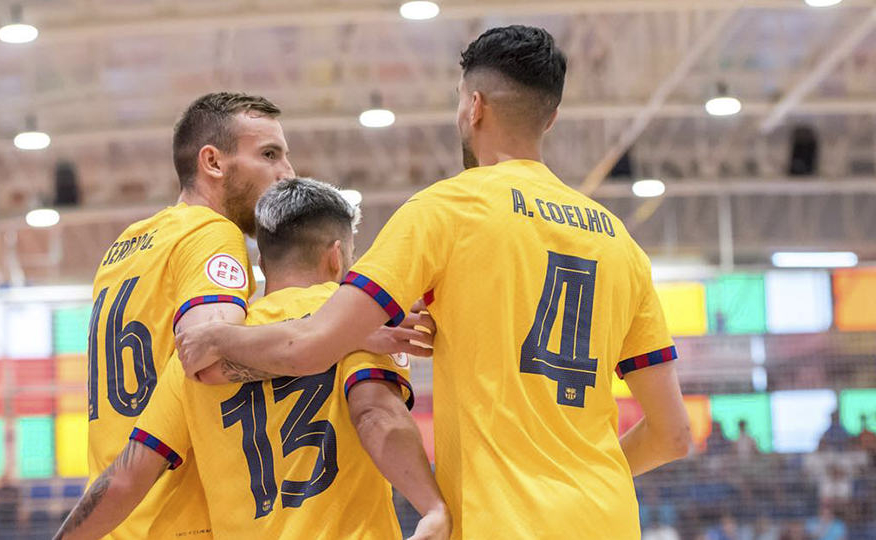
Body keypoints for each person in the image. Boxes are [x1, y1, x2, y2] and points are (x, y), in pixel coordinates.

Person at [176, 25, 691, 539]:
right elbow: (672, 437)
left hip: (501, 524)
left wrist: (216, 336)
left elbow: (309, 347)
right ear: (550, 118)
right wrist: (580, 483)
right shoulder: (620, 243)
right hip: (610, 520)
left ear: (475, 106)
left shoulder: (446, 211)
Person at [62, 93, 434, 540]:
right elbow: (208, 355)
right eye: (270, 155)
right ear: (213, 163)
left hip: (119, 514)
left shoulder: (124, 249)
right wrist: (344, 331)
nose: (286, 172)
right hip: (177, 520)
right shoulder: (212, 234)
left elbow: (131, 462)